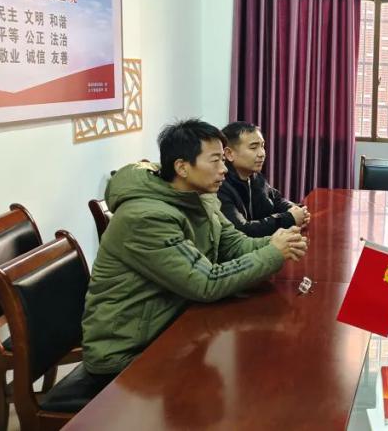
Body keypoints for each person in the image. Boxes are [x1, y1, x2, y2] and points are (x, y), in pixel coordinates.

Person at [82, 119, 307, 375]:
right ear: (182, 167)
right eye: (215, 161)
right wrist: (272, 252)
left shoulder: (200, 196)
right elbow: (206, 282)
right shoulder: (145, 217)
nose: (224, 169)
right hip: (127, 350)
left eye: (223, 159)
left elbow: (234, 244)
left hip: (175, 324)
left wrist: (279, 242)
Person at [218, 121, 310, 237]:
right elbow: (242, 230)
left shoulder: (255, 177)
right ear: (229, 154)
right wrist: (289, 218)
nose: (262, 154)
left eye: (262, 146)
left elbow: (276, 200)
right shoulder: (220, 185)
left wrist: (294, 209)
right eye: (253, 147)